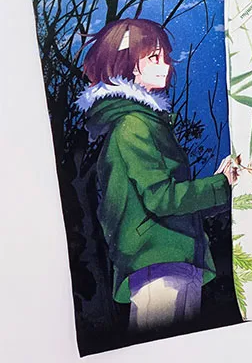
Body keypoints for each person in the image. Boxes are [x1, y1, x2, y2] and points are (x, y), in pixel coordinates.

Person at [75, 18, 237, 333]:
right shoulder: (133, 125)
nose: (165, 65)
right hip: (157, 261)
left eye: (166, 57)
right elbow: (161, 199)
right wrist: (220, 185)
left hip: (171, 258)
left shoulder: (146, 122)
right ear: (126, 64)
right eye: (153, 57)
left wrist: (221, 187)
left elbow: (170, 204)